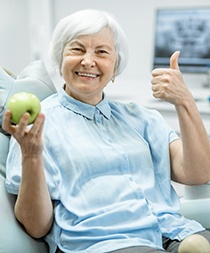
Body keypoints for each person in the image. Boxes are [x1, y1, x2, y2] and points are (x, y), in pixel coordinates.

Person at [2, 9, 210, 253]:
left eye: (101, 52)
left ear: (115, 66)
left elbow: (197, 174)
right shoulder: (36, 128)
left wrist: (184, 102)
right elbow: (36, 227)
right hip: (106, 243)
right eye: (77, 49)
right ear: (60, 59)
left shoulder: (141, 117)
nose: (88, 61)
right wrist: (31, 155)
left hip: (174, 231)